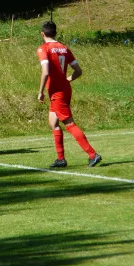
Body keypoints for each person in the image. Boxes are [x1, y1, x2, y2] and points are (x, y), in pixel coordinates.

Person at [37, 21, 102, 168]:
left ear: (43, 34)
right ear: (55, 33)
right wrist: (67, 80)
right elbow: (78, 71)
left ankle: (93, 154)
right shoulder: (64, 48)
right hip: (65, 89)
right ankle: (61, 159)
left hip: (57, 92)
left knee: (69, 124)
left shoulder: (43, 49)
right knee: (53, 122)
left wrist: (40, 91)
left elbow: (46, 71)